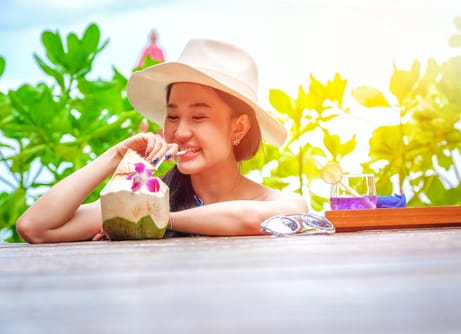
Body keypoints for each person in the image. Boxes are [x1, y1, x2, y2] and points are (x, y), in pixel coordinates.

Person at [16, 38, 308, 243]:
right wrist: (115, 157)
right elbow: (35, 228)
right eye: (172, 116)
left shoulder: (274, 202)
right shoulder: (146, 201)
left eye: (199, 117)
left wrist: (158, 220)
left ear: (238, 127)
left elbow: (259, 218)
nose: (180, 132)